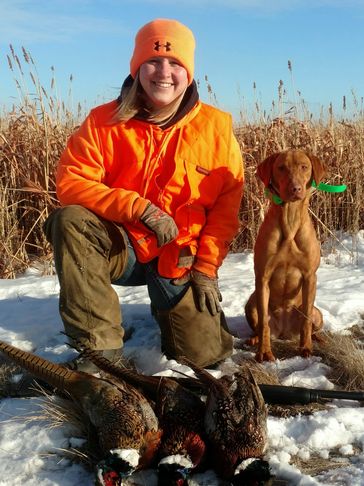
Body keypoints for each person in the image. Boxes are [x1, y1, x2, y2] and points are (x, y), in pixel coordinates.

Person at [44, 18, 244, 371]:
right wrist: (138, 208)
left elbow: (226, 210)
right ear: (137, 67)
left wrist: (207, 268)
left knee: (206, 356)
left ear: (189, 72)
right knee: (70, 220)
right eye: (153, 60)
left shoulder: (216, 128)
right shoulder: (103, 121)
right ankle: (99, 351)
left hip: (180, 257)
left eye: (176, 63)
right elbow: (72, 182)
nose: (164, 72)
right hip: (124, 246)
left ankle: (167, 304)